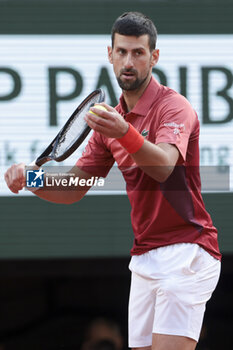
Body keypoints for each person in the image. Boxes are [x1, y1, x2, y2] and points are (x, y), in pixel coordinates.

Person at [4, 11, 221, 350]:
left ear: (154, 57)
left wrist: (126, 133)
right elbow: (75, 186)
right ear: (110, 54)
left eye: (138, 52)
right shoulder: (111, 122)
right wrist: (31, 178)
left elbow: (164, 166)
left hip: (188, 250)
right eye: (121, 52)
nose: (128, 61)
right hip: (146, 256)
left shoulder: (173, 107)